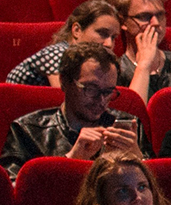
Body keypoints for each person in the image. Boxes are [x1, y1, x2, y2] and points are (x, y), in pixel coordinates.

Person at [2, 43, 136, 177]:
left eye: (108, 92)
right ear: (64, 82)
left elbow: (154, 189)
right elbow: (14, 191)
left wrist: (139, 161)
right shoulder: (27, 131)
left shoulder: (128, 126)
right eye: (91, 89)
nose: (101, 100)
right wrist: (71, 160)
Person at [7, 0, 121, 88]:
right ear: (77, 30)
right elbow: (66, 101)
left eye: (113, 37)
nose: (109, 44)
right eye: (102, 33)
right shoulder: (58, 53)